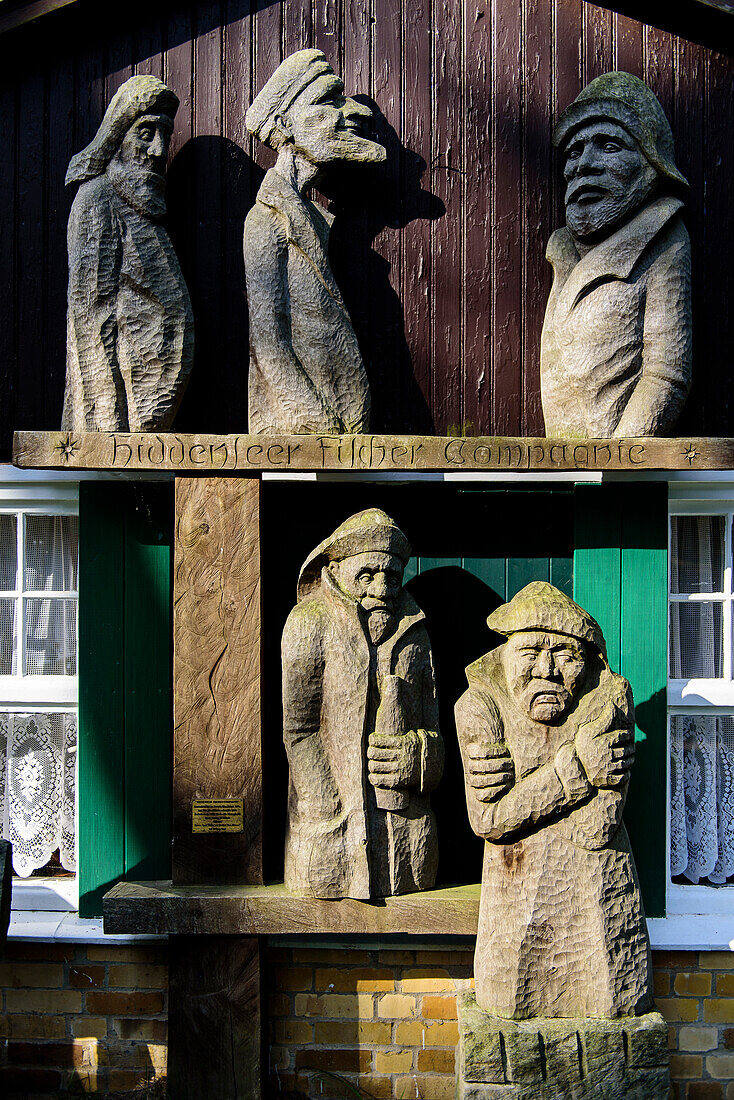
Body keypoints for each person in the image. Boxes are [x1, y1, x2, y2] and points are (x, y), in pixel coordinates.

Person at [455, 581, 653, 1019]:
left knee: (608, 1004)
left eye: (565, 654)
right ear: (505, 654)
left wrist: (527, 793)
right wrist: (577, 767)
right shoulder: (479, 706)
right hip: (515, 899)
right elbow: (489, 818)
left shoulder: (609, 698)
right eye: (530, 653)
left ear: (587, 662)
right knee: (513, 1002)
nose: (546, 669)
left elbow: (597, 828)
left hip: (597, 900)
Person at [281, 509, 443, 898]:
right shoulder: (308, 622)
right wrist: (329, 809)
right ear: (335, 570)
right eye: (367, 576)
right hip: (330, 834)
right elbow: (299, 731)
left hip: (403, 845)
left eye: (391, 576)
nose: (381, 589)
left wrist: (417, 759)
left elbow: (435, 732)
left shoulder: (415, 634)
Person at [541, 71, 691, 438]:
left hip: (622, 464)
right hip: (560, 458)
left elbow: (667, 372)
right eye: (574, 151)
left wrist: (622, 455)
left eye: (609, 146)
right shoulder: (562, 249)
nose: (583, 164)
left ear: (649, 162)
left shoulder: (664, 236)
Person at [244, 50, 385, 435]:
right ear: (285, 124)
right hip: (304, 430)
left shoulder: (318, 219)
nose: (355, 113)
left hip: (340, 428)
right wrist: (318, 424)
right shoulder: (265, 220)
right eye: (327, 101)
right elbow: (268, 342)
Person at [63, 75, 193, 433]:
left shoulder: (147, 207)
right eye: (146, 133)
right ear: (118, 137)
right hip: (119, 423)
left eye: (165, 136)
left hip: (150, 410)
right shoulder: (98, 199)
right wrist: (105, 423)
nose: (159, 151)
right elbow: (90, 317)